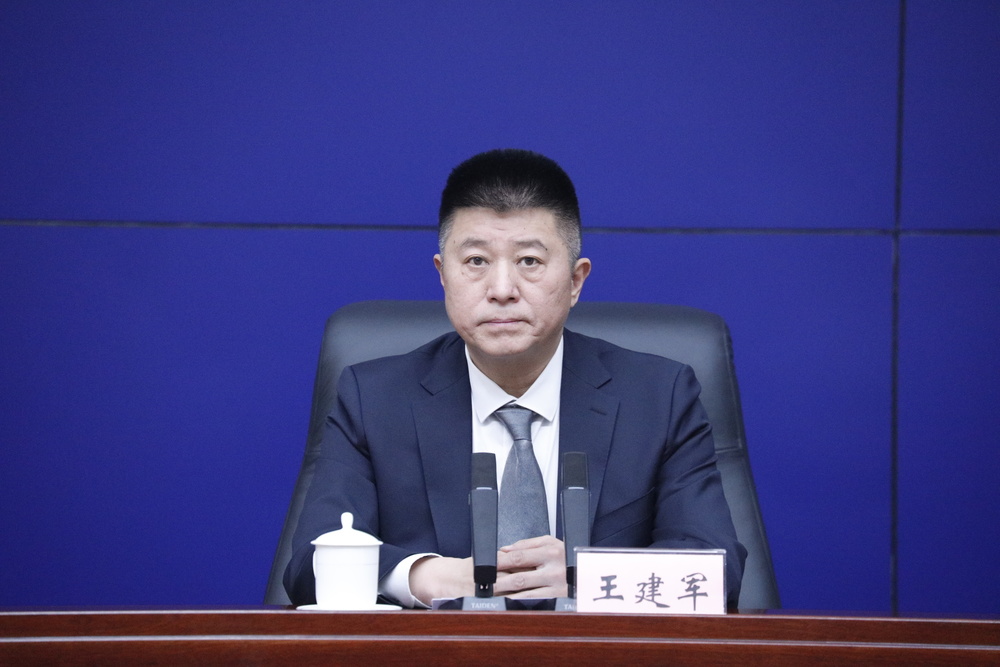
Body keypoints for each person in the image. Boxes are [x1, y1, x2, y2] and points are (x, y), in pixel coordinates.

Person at [284, 149, 747, 608]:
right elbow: (309, 565)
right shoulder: (374, 398)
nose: (502, 290)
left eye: (529, 261)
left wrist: (588, 577)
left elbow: (716, 570)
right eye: (476, 261)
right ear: (443, 276)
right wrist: (428, 576)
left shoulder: (659, 397)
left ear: (576, 281)